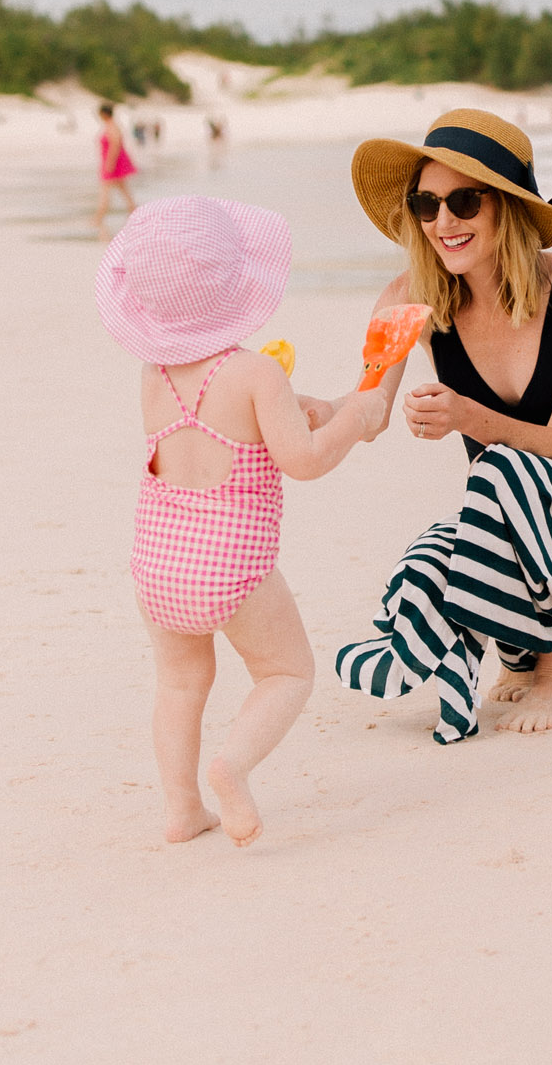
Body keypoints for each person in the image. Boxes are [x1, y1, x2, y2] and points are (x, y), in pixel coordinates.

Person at [328, 109, 552, 745]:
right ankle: (516, 646)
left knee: (500, 470)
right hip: (511, 517)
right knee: (431, 560)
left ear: (506, 207)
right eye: (426, 205)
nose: (443, 222)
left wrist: (467, 417)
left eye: (463, 200)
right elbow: (366, 410)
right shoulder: (409, 299)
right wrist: (290, 409)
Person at [95, 196, 391, 847]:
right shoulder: (255, 373)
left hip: (159, 564)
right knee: (287, 673)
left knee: (178, 682)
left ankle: (181, 809)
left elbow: (213, 432)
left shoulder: (154, 374)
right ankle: (232, 767)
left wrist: (305, 405)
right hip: (233, 564)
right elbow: (303, 460)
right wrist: (359, 417)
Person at [94, 101, 139, 229]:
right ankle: (134, 213)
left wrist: (109, 164)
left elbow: (115, 145)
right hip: (114, 162)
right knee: (124, 191)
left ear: (104, 114)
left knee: (105, 192)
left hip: (113, 163)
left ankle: (98, 219)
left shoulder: (112, 126)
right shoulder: (111, 125)